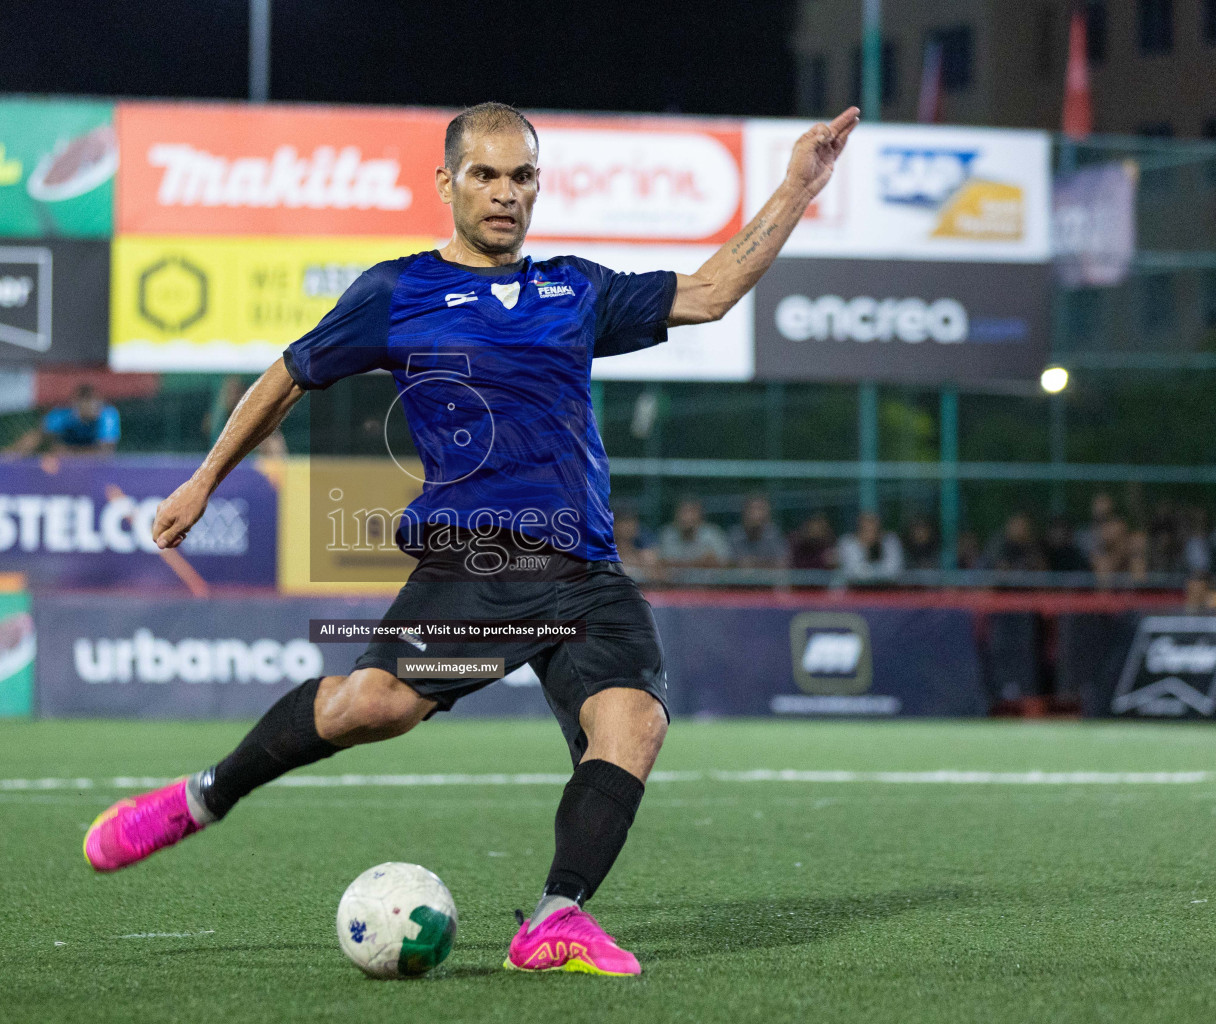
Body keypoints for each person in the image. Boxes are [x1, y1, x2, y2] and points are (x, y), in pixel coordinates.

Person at [81, 101, 859, 976]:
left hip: (585, 574)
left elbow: (712, 293)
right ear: (448, 183)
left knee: (634, 722)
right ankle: (201, 798)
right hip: (478, 564)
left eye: (521, 176)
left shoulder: (576, 289)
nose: (504, 194)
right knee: (368, 708)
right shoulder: (397, 292)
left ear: (537, 187)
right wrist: (205, 478)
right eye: (484, 175)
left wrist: (799, 184)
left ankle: (554, 920)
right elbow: (290, 375)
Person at [6, 383, 119, 455]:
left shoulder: (108, 416)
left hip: (94, 466)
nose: (91, 406)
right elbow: (37, 438)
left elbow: (105, 452)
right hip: (64, 464)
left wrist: (70, 453)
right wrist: (9, 456)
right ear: (76, 403)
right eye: (85, 401)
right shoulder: (61, 415)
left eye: (94, 401)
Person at [656, 496, 731, 569]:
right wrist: (699, 562)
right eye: (684, 512)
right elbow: (661, 562)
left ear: (700, 515)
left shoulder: (713, 534)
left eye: (692, 512)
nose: (688, 517)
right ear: (676, 514)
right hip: (674, 580)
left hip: (707, 580)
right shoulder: (667, 534)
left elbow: (725, 562)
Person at [837, 510, 904, 582]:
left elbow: (893, 571)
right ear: (859, 529)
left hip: (888, 588)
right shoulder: (847, 542)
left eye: (875, 529)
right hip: (853, 590)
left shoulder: (890, 540)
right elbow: (852, 572)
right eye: (866, 529)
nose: (871, 533)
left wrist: (868, 571)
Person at [727, 493, 789, 569]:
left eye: (760, 509)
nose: (756, 514)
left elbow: (782, 565)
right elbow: (731, 565)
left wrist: (753, 563)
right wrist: (767, 563)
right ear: (744, 512)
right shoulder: (735, 535)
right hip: (742, 580)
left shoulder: (773, 533)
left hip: (769, 579)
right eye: (752, 509)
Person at [981, 512, 1047, 573]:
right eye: (1017, 525)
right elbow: (994, 568)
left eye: (1023, 526)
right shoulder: (997, 545)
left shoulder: (1032, 546)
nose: (1020, 529)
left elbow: (1041, 570)